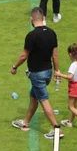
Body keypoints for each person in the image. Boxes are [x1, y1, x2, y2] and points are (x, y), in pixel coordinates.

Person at [11, 7, 63, 139]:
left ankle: (57, 129)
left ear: (31, 19)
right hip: (48, 72)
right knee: (33, 96)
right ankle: (26, 122)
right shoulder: (52, 33)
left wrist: (14, 66)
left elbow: (24, 56)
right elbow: (55, 55)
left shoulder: (31, 36)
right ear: (44, 18)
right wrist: (57, 70)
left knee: (44, 100)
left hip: (37, 74)